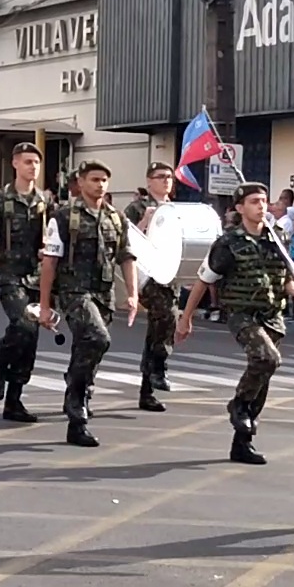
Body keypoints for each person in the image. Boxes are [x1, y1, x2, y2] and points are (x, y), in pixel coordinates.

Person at [177, 181, 294, 465]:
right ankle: (238, 404)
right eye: (254, 201)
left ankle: (242, 443)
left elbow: (284, 278)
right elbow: (204, 280)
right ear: (240, 208)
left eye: (264, 200)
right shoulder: (228, 243)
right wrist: (186, 317)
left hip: (272, 315)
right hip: (242, 314)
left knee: (262, 377)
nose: (261, 206)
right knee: (267, 358)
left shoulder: (277, 238)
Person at [38, 161, 138, 448]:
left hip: (102, 294)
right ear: (80, 183)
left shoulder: (116, 218)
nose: (100, 185)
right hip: (74, 292)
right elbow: (50, 262)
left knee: (88, 349)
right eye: (94, 179)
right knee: (98, 337)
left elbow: (126, 257)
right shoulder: (63, 216)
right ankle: (77, 407)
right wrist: (45, 305)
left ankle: (77, 393)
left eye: (105, 180)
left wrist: (132, 294)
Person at [0, 142, 50, 424]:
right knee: (23, 324)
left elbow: (52, 243)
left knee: (31, 340)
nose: (33, 167)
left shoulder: (44, 202)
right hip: (9, 275)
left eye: (37, 163)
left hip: (36, 278)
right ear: (15, 163)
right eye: (27, 162)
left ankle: (14, 400)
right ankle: (1, 365)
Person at [122, 163, 180, 410]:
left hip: (170, 275)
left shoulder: (176, 209)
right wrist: (145, 222)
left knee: (163, 326)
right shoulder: (136, 207)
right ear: (149, 181)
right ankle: (159, 367)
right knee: (166, 315)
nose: (166, 181)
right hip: (146, 276)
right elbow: (125, 240)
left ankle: (148, 387)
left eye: (169, 177)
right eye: (160, 177)